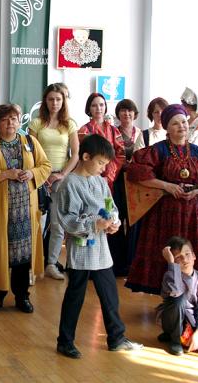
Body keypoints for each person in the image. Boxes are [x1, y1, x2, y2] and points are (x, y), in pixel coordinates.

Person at [55, 134, 143, 359]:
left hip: (101, 249)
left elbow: (110, 206)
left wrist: (112, 222)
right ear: (85, 157)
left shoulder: (100, 182)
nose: (103, 169)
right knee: (76, 294)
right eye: (101, 163)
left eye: (106, 164)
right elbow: (68, 219)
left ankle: (116, 337)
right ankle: (65, 341)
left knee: (110, 294)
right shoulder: (70, 184)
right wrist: (94, 224)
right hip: (81, 248)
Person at [125, 104, 198, 295]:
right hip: (164, 212)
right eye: (176, 123)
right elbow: (136, 172)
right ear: (167, 127)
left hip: (192, 211)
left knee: (194, 252)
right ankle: (172, 299)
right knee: (168, 250)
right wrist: (166, 186)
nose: (182, 126)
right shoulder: (158, 150)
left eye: (184, 122)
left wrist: (195, 191)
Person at [0, 104, 51, 313]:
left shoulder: (30, 142)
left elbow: (45, 166)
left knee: (22, 257)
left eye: (14, 119)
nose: (10, 123)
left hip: (25, 212)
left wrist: (32, 173)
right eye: (5, 120)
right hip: (0, 212)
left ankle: (22, 296)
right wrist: (4, 175)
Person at [28, 83, 79, 281]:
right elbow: (29, 152)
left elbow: (75, 155)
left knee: (58, 225)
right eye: (51, 99)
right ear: (45, 101)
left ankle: (51, 263)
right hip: (38, 178)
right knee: (37, 224)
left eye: (58, 99)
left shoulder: (70, 124)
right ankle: (32, 267)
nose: (54, 103)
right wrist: (40, 174)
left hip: (60, 179)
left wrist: (62, 174)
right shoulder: (36, 123)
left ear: (63, 101)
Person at [110, 98, 145, 277]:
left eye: (130, 111)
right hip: (117, 180)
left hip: (135, 184)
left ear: (135, 113)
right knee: (117, 218)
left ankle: (132, 263)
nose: (127, 114)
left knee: (134, 223)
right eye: (123, 110)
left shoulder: (141, 133)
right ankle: (117, 264)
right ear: (118, 114)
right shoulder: (113, 132)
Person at [77, 93, 125, 190]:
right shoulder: (84, 130)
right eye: (94, 105)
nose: (98, 108)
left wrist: (110, 174)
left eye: (101, 105)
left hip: (110, 177)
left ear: (105, 107)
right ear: (89, 109)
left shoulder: (114, 130)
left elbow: (121, 154)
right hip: (89, 177)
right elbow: (81, 156)